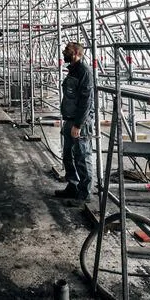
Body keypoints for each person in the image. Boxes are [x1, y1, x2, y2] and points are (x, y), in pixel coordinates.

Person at [54, 41, 94, 201]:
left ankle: (84, 193)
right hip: (69, 119)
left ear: (77, 53)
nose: (64, 52)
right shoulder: (73, 70)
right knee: (67, 155)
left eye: (67, 50)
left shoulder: (84, 71)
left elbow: (86, 100)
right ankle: (72, 186)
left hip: (79, 123)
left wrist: (78, 124)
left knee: (82, 156)